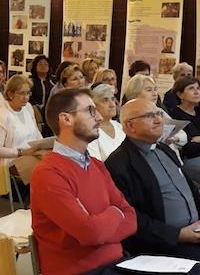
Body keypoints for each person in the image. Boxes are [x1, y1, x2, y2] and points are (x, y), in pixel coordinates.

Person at [105, 99, 200, 275]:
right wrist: (177, 234)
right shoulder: (118, 164)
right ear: (130, 126)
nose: (159, 120)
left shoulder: (165, 150)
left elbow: (189, 193)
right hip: (165, 240)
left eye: (159, 113)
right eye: (150, 116)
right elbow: (131, 217)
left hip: (199, 229)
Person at [30, 88, 141, 275]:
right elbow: (89, 233)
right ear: (66, 119)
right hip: (82, 270)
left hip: (117, 262)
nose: (98, 117)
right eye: (90, 110)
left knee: (197, 271)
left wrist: (102, 225)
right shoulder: (48, 173)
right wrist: (115, 213)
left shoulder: (96, 165)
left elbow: (131, 218)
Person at [0, 75, 44, 177]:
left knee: (57, 162)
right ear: (10, 94)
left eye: (28, 93)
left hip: (32, 154)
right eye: (22, 93)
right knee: (44, 169)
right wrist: (21, 152)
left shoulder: (28, 107)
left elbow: (36, 132)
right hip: (14, 160)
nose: (26, 97)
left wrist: (43, 146)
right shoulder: (3, 115)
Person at [88, 83, 125, 161]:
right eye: (105, 100)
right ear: (94, 105)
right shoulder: (90, 132)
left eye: (112, 99)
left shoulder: (120, 127)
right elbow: (96, 165)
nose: (112, 105)